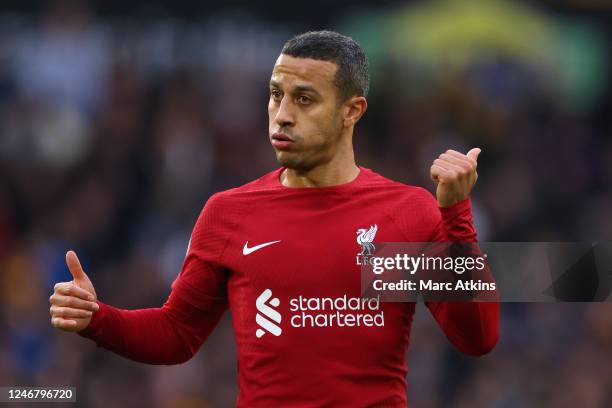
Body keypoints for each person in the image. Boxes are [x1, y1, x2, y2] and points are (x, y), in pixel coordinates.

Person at [49, 30, 499, 407]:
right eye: (276, 95)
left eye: (304, 99)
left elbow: (477, 338)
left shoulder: (407, 212)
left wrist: (456, 215)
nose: (282, 115)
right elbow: (177, 334)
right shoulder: (228, 213)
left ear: (351, 111)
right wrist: (98, 319)